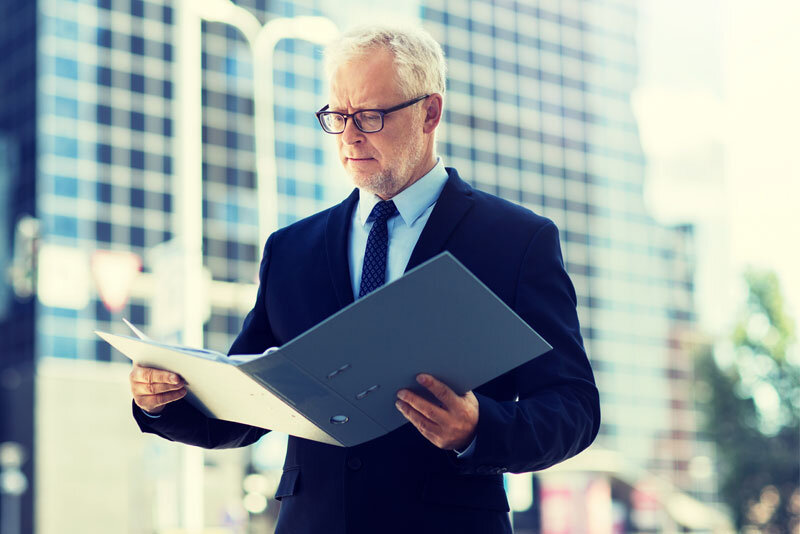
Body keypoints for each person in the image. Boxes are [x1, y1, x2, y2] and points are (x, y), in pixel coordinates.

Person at [129, 25, 600, 534]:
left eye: (370, 116)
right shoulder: (290, 251)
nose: (350, 135)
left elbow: (572, 407)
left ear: (430, 113)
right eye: (337, 115)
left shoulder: (515, 241)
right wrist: (166, 402)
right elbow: (246, 406)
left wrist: (479, 427)